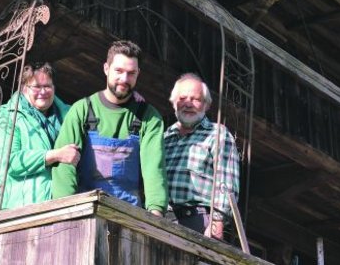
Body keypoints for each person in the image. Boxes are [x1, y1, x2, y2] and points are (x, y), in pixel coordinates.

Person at [51, 40, 168, 216]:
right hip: (84, 211)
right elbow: (64, 167)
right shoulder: (82, 109)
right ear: (106, 68)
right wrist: (64, 211)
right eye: (119, 71)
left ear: (138, 74)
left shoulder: (149, 118)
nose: (124, 79)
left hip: (130, 214)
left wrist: (156, 211)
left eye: (131, 73)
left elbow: (154, 167)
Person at [0, 62, 80, 212]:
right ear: (24, 89)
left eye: (47, 86)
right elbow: (11, 160)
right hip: (11, 209)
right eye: (36, 87)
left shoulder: (70, 116)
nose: (43, 91)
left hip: (54, 206)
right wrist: (55, 155)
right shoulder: (7, 116)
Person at [164, 73, 240, 239]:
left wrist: (216, 223)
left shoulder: (217, 134)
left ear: (206, 105)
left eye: (196, 99)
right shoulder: (165, 137)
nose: (188, 104)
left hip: (198, 222)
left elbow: (226, 183)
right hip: (165, 221)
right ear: (174, 103)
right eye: (183, 98)